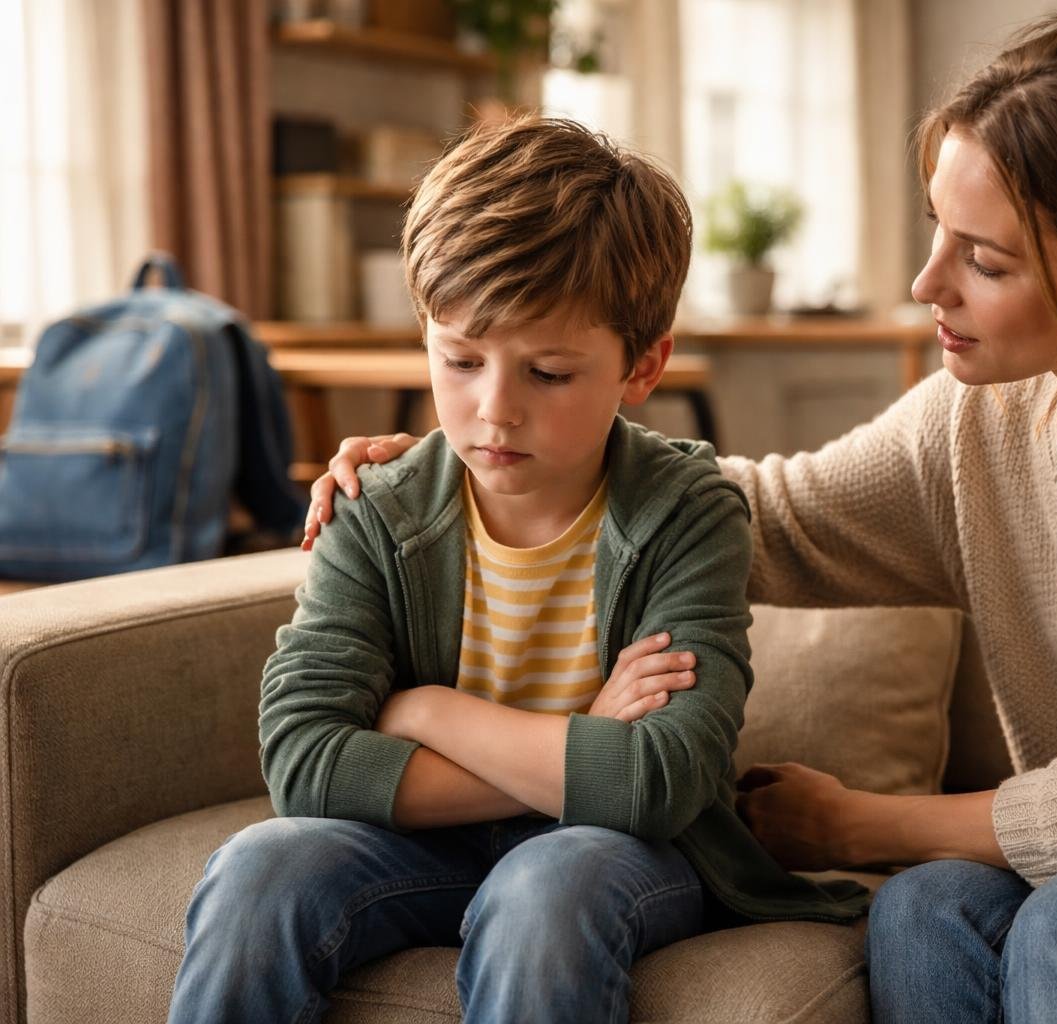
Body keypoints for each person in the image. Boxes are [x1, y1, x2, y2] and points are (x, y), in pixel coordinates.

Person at [307, 13, 1057, 1022]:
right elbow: (757, 517)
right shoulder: (982, 423)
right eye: (936, 233)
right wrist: (481, 465)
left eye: (985, 261)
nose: (925, 285)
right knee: (922, 908)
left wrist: (856, 820)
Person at [167, 115, 866, 1024]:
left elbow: (660, 782)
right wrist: (581, 732)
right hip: (426, 847)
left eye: (547, 373)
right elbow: (304, 759)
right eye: (460, 360)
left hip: (611, 854)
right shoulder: (378, 507)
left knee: (548, 888)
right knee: (260, 867)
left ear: (642, 366)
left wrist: (426, 714)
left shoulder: (686, 512)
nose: (494, 412)